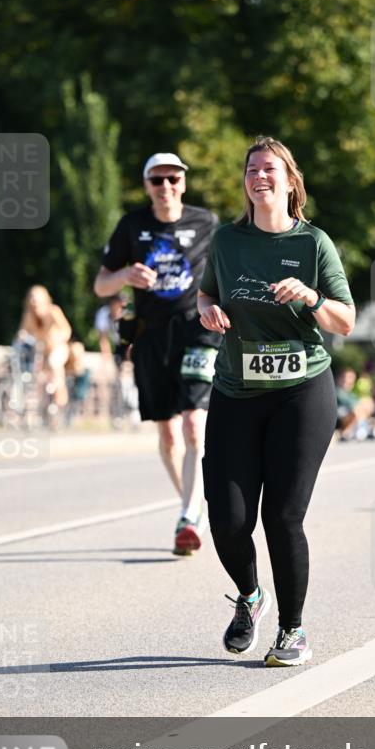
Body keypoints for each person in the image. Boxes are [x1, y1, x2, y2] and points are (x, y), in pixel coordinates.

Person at [198, 136, 355, 667]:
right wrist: (207, 310)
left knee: (282, 516)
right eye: (251, 170)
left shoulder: (314, 244)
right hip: (236, 392)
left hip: (301, 391)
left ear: (290, 181)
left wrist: (312, 298)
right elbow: (207, 291)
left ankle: (292, 631)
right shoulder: (226, 242)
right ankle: (249, 596)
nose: (258, 177)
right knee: (226, 518)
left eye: (269, 169)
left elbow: (346, 321)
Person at [94, 152, 221, 555]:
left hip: (197, 334)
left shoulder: (207, 223)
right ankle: (193, 507)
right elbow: (101, 286)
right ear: (147, 185)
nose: (165, 187)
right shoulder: (132, 226)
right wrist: (124, 276)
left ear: (183, 182)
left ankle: (187, 516)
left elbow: (226, 274)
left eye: (172, 179)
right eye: (157, 180)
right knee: (168, 435)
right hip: (150, 337)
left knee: (193, 427)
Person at [17, 285, 72, 410]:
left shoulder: (53, 311)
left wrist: (58, 339)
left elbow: (66, 330)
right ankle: (42, 406)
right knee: (37, 374)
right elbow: (22, 332)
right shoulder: (29, 315)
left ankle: (61, 397)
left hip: (58, 348)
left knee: (54, 363)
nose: (34, 303)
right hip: (42, 350)